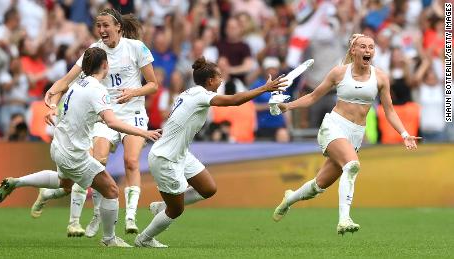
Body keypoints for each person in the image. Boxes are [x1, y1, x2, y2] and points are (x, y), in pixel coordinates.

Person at [0, 47, 161, 247]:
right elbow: (112, 123)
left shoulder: (78, 82)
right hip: (74, 153)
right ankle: (109, 239)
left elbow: (60, 89)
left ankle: (17, 182)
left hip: (59, 145)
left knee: (64, 183)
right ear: (105, 66)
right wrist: (144, 132)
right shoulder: (97, 90)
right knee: (111, 190)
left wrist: (53, 107)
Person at [272, 34, 421, 235]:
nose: (368, 50)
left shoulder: (381, 77)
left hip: (356, 135)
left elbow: (390, 111)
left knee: (318, 186)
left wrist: (405, 134)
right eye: (363, 46)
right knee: (352, 166)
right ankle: (344, 220)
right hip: (334, 126)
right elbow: (313, 96)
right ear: (353, 51)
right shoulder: (339, 73)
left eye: (371, 47)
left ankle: (289, 198)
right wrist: (287, 106)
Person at [30, 8, 159, 237]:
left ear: (118, 26)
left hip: (133, 111)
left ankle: (130, 217)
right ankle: (94, 215)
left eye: (106, 25)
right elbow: (68, 79)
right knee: (97, 163)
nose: (101, 30)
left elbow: (153, 84)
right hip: (104, 113)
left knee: (131, 162)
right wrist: (51, 98)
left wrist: (134, 92)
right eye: (98, 26)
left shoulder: (136, 47)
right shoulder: (94, 51)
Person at [134, 57, 287, 248]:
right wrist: (264, 88)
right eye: (219, 77)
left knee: (207, 189)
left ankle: (162, 206)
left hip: (180, 153)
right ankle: (144, 239)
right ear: (210, 81)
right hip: (166, 158)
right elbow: (234, 101)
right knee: (177, 210)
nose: (222, 80)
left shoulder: (190, 92)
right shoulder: (201, 96)